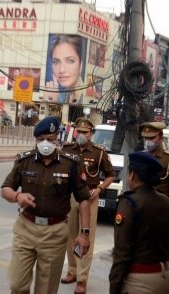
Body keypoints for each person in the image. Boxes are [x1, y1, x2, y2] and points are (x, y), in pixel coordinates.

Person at [0, 116, 91, 294]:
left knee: (46, 289)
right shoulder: (23, 160)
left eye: (50, 139)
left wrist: (84, 233)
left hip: (55, 233)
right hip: (26, 229)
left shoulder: (70, 163)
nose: (45, 143)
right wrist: (17, 196)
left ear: (58, 138)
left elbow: (84, 198)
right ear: (35, 140)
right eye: (41, 139)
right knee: (17, 285)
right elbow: (5, 189)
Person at [109, 152, 169, 294]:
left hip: (140, 281)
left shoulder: (129, 203)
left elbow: (122, 254)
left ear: (132, 174)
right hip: (166, 276)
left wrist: (114, 287)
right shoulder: (167, 202)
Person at [61, 118, 115, 294]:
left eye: (85, 132)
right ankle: (72, 271)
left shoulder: (99, 153)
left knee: (85, 238)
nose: (81, 135)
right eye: (79, 131)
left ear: (91, 133)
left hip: (90, 198)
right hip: (71, 198)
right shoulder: (67, 149)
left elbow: (110, 175)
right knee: (71, 236)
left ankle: (82, 279)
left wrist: (99, 189)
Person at [45, 35, 85, 104]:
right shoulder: (59, 95)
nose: (61, 70)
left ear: (80, 65)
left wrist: (54, 102)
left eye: (70, 61)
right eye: (56, 62)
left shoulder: (87, 95)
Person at [140, 121, 169, 197]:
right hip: (142, 202)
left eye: (152, 138)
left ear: (161, 137)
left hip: (160, 205)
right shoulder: (140, 157)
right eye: (146, 138)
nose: (148, 141)